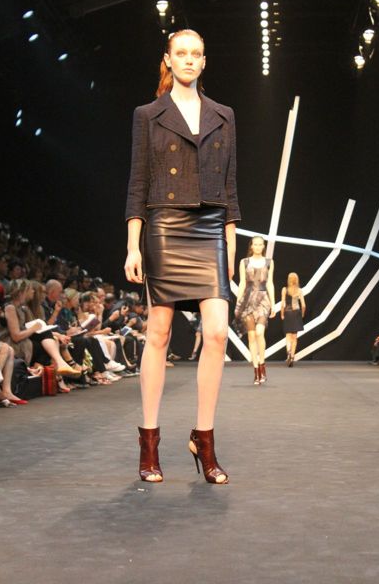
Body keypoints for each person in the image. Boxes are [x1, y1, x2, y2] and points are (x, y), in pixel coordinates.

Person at [124, 28, 240, 484]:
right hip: (166, 225)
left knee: (217, 333)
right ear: (168, 60)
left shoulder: (224, 115)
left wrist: (230, 248)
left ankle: (203, 438)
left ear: (204, 61)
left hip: (210, 226)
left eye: (196, 54)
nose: (189, 59)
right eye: (181, 53)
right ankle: (149, 443)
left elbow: (231, 188)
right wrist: (133, 245)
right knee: (159, 332)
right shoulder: (148, 114)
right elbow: (138, 182)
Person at [235, 236, 275, 385]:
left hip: (263, 300)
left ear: (263, 246)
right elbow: (242, 283)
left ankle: (262, 364)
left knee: (259, 332)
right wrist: (238, 302)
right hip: (248, 300)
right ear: (251, 246)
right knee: (251, 336)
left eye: (260, 244)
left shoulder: (269, 262)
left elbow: (270, 283)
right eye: (255, 244)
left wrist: (273, 304)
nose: (258, 247)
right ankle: (256, 370)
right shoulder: (244, 262)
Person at [280, 272, 306, 366]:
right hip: (296, 313)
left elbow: (283, 304)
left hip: (288, 313)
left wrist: (282, 314)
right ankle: (292, 356)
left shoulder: (284, 290)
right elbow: (303, 305)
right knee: (294, 337)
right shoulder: (299, 290)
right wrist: (302, 314)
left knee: (288, 336)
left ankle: (288, 353)